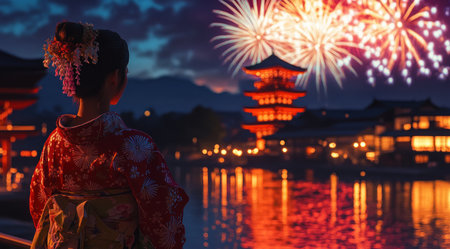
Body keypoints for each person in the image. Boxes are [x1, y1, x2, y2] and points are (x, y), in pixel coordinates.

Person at [29, 21, 188, 249]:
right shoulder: (134, 147)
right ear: (115, 77)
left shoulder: (53, 145)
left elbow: (39, 209)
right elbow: (163, 222)